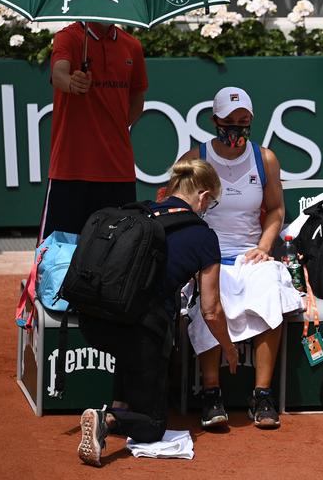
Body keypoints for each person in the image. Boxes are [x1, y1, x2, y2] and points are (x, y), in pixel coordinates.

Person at [76, 159, 239, 468]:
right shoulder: (204, 236)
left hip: (94, 319)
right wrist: (228, 348)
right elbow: (211, 309)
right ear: (203, 196)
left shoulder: (140, 211)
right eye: (212, 202)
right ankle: (107, 420)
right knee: (153, 425)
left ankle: (119, 404)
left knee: (129, 333)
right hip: (142, 332)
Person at [179, 86, 304, 430]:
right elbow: (179, 210)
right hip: (208, 255)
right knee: (209, 293)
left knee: (269, 285)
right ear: (215, 120)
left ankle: (261, 395)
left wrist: (265, 246)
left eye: (244, 121)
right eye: (230, 121)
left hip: (250, 254)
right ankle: (211, 393)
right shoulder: (197, 158)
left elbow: (277, 209)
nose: (237, 128)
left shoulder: (265, 159)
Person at [38, 21, 148, 241]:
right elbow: (59, 74)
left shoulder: (132, 46)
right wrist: (71, 82)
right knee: (58, 254)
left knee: (119, 252)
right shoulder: (68, 37)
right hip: (71, 169)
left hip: (118, 170)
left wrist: (113, 126)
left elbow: (137, 100)